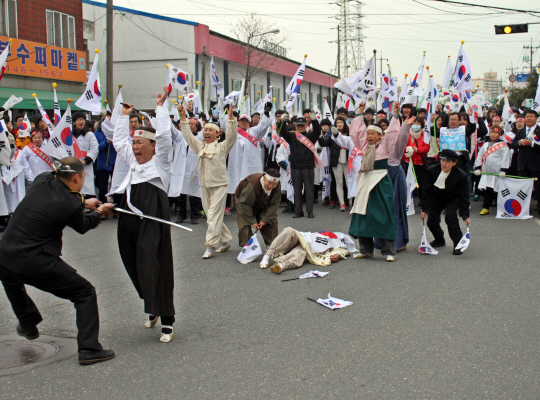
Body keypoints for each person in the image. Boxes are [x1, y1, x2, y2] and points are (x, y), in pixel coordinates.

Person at [0, 157, 115, 365]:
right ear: (78, 177)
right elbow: (82, 225)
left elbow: (61, 197)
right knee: (84, 292)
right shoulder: (70, 204)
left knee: (11, 279)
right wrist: (98, 212)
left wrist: (81, 202)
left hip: (5, 252)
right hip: (35, 259)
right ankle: (89, 348)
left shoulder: (42, 178)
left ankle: (28, 323)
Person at [113, 88, 176, 343]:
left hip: (152, 216)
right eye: (135, 142)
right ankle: (152, 306)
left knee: (154, 264)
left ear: (153, 146)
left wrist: (160, 107)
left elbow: (164, 137)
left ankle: (167, 318)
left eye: (140, 143)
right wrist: (123, 116)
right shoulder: (132, 159)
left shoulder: (161, 161)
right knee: (132, 260)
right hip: (129, 212)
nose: (135, 146)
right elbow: (119, 142)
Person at [181, 100, 238, 259]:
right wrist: (183, 117)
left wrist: (231, 119)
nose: (206, 132)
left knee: (212, 216)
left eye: (210, 130)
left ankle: (210, 247)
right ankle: (225, 241)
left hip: (220, 185)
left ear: (218, 133)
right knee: (212, 216)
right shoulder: (199, 146)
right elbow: (188, 136)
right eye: (205, 129)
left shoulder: (222, 147)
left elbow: (232, 135)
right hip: (204, 185)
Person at [347, 103, 400, 262]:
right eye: (368, 133)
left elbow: (391, 134)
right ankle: (366, 250)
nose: (369, 136)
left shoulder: (384, 147)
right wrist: (360, 113)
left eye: (373, 134)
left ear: (380, 136)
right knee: (362, 215)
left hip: (380, 183)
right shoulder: (365, 146)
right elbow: (356, 133)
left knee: (383, 216)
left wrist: (395, 115)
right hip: (365, 183)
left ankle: (389, 251)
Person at [421, 149, 470, 255]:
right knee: (431, 221)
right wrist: (424, 208)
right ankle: (439, 239)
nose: (444, 163)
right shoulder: (432, 170)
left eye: (447, 161)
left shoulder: (461, 176)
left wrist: (465, 215)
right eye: (442, 160)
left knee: (450, 217)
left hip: (453, 198)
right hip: (437, 197)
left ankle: (458, 244)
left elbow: (464, 197)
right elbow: (427, 191)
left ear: (454, 163)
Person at [258, 227, 356, 274]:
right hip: (305, 236)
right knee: (289, 231)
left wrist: (338, 255)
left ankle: (282, 264)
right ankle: (267, 256)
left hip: (311, 247)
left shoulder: (341, 244)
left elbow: (344, 251)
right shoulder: (332, 234)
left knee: (301, 251)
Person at [279, 111, 321, 218]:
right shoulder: (291, 136)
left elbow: (317, 131)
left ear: (306, 126)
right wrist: (282, 121)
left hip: (308, 166)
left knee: (309, 191)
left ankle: (310, 211)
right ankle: (298, 211)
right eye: (298, 125)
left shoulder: (310, 136)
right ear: (296, 126)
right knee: (296, 190)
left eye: (302, 125)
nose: (300, 127)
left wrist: (314, 121)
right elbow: (282, 132)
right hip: (295, 167)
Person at [235, 169, 281, 247]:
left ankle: (272, 245)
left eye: (274, 184)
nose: (271, 186)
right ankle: (247, 247)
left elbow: (274, 204)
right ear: (264, 177)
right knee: (244, 223)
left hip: (263, 201)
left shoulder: (277, 184)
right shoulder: (252, 184)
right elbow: (244, 204)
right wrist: (252, 221)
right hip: (244, 201)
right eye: (269, 183)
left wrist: (264, 220)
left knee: (271, 219)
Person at [474, 126, 510, 215]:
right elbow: (480, 156)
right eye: (492, 133)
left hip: (497, 172)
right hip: (487, 171)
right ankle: (485, 207)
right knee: (487, 190)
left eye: (496, 133)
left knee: (498, 190)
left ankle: (501, 208)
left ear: (499, 134)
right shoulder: (486, 144)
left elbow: (505, 158)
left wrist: (503, 169)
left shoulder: (503, 145)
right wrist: (478, 167)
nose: (493, 135)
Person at [319, 116, 351, 211]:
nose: (339, 124)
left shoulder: (349, 134)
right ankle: (342, 204)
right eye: (337, 123)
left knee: (349, 183)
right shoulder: (332, 135)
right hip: (336, 162)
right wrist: (320, 136)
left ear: (344, 124)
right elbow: (324, 143)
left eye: (341, 122)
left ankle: (351, 202)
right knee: (339, 183)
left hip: (348, 162)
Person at [511, 109, 540, 212]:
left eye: (531, 116)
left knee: (538, 188)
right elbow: (513, 144)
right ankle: (524, 210)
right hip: (522, 164)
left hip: (536, 164)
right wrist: (519, 142)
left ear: (536, 118)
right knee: (522, 188)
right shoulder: (520, 131)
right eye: (527, 116)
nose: (529, 118)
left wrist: (531, 144)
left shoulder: (539, 130)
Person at [403, 116, 430, 206]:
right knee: (408, 183)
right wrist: (408, 148)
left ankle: (424, 202)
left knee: (422, 185)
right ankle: (407, 202)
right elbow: (403, 145)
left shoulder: (425, 134)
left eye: (418, 124)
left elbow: (426, 148)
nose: (416, 125)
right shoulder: (408, 133)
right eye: (414, 123)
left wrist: (416, 149)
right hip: (409, 162)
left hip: (420, 164)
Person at [72, 112, 99, 198]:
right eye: (79, 120)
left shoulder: (90, 135)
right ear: (74, 122)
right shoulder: (69, 135)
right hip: (73, 165)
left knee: (86, 187)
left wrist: (86, 161)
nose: (81, 121)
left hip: (86, 166)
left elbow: (94, 149)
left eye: (83, 119)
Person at [94, 121, 117, 218]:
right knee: (103, 187)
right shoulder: (97, 133)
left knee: (116, 186)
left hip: (114, 163)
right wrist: (106, 142)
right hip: (103, 163)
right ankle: (103, 208)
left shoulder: (115, 131)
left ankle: (116, 208)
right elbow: (96, 148)